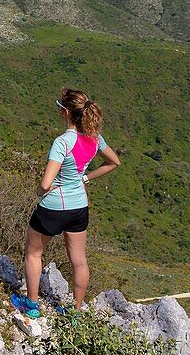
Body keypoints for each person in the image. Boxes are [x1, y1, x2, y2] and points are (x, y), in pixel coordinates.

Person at [11, 88, 121, 319]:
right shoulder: (95, 139)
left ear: (66, 113)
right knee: (79, 261)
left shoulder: (62, 142)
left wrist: (39, 192)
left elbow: (46, 183)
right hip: (79, 207)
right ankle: (76, 312)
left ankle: (31, 307)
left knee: (33, 253)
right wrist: (86, 177)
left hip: (53, 207)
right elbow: (114, 162)